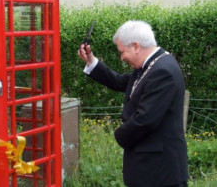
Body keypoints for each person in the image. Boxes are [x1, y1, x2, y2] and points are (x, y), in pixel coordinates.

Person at [78, 20, 188, 187]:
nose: (122, 58)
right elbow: (121, 82)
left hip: (160, 172)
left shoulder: (162, 71)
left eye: (122, 52)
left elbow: (145, 120)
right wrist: (91, 61)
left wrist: (118, 135)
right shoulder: (151, 65)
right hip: (151, 169)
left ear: (136, 46)